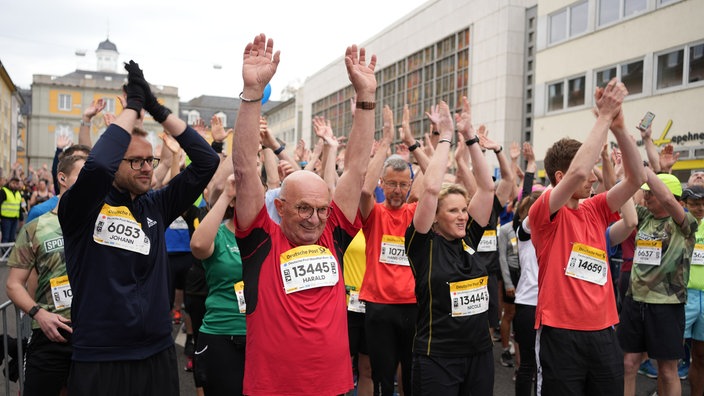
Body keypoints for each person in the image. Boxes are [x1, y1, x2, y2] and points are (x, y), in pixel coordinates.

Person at [58, 61, 219, 395]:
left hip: (156, 351)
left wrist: (157, 108)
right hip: (101, 355)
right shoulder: (82, 207)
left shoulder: (155, 204)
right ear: (116, 162)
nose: (147, 168)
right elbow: (99, 163)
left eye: (150, 160)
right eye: (136, 161)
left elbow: (207, 161)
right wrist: (132, 105)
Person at [232, 34, 376, 395]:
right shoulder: (260, 237)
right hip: (272, 388)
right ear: (279, 206)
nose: (314, 219)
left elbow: (357, 167)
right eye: (303, 209)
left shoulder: (333, 235)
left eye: (322, 210)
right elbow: (247, 169)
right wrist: (252, 94)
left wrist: (366, 98)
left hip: (335, 387)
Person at [528, 78, 646, 395]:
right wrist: (604, 117)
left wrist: (619, 126)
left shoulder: (594, 207)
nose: (594, 176)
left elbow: (637, 178)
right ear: (559, 177)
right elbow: (580, 172)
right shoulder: (544, 211)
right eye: (591, 167)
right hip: (560, 332)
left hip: (604, 330)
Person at [405, 98, 495, 395]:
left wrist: (469, 135)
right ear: (435, 218)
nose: (462, 216)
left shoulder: (470, 237)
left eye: (463, 210)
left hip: (479, 354)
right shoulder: (423, 243)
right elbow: (431, 188)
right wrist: (445, 135)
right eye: (453, 211)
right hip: (438, 357)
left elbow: (487, 188)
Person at [5, 153, 86, 395]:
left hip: (93, 335)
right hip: (51, 334)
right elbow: (13, 284)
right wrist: (39, 314)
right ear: (62, 178)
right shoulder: (36, 228)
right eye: (84, 175)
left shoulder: (101, 224)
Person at [619, 170, 697, 396]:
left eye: (649, 193)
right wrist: (616, 166)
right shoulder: (644, 217)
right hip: (635, 301)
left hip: (666, 304)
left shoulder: (685, 223)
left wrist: (646, 172)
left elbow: (668, 201)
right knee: (628, 364)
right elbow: (622, 196)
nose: (645, 197)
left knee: (666, 370)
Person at [358, 104, 416, 396]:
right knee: (382, 375)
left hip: (412, 304)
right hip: (379, 305)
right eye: (391, 183)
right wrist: (386, 140)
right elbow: (365, 191)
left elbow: (432, 185)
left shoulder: (416, 214)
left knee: (413, 371)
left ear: (409, 186)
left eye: (402, 185)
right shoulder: (375, 214)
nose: (396, 190)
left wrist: (413, 141)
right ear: (383, 183)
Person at [190, 175, 245, 395]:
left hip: (263, 337)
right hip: (221, 335)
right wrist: (227, 195)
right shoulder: (220, 235)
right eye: (246, 195)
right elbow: (199, 245)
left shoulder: (270, 235)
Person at [682, 184, 704, 395]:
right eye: (695, 204)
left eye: (703, 204)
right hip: (682, 296)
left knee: (700, 356)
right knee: (669, 357)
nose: (700, 208)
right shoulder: (678, 224)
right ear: (684, 205)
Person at [1, 176, 23, 243]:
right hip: (5, 219)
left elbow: (19, 207)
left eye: (16, 184)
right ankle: (5, 253)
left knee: (12, 238)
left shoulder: (18, 193)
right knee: (5, 237)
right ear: (9, 182)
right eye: (13, 183)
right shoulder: (3, 191)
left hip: (15, 219)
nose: (15, 185)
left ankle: (10, 253)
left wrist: (21, 219)